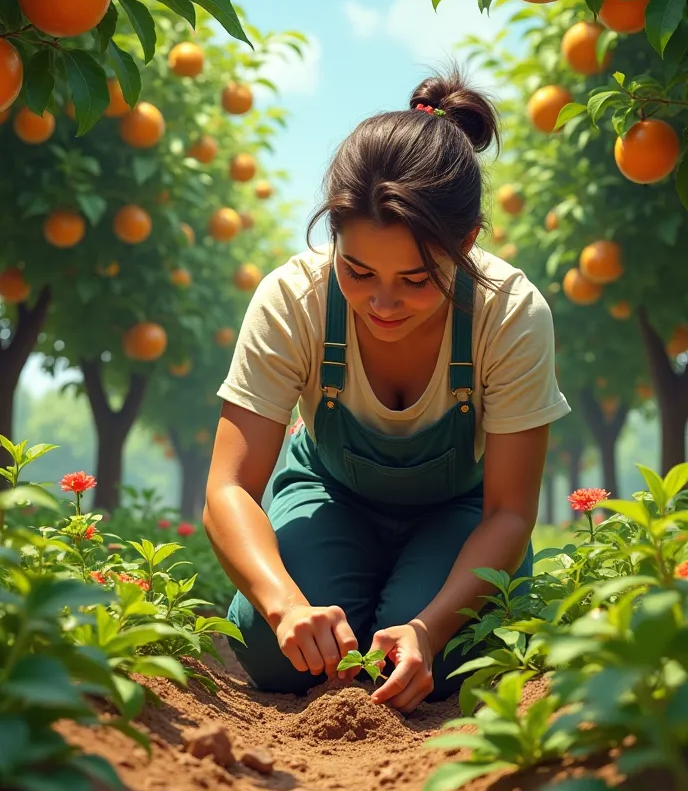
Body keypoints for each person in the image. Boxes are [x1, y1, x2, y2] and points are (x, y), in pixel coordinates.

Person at [204, 68, 570, 714]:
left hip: (460, 511)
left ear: (467, 243)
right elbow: (228, 487)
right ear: (334, 238)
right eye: (357, 269)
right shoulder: (294, 298)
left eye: (417, 278)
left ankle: (407, 607)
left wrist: (427, 631)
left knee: (450, 659)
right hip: (328, 495)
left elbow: (509, 510)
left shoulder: (509, 311)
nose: (383, 302)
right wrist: (287, 606)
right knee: (275, 652)